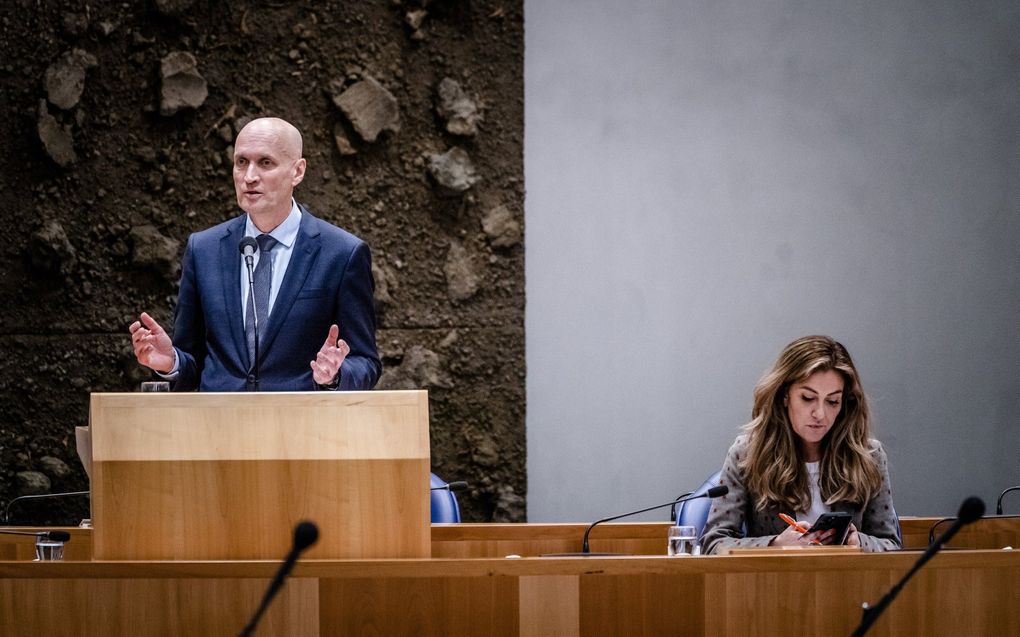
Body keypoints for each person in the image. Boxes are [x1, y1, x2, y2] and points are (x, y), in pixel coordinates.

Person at [129, 117, 381, 391]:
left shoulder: (342, 253)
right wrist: (172, 362)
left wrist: (335, 375)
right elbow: (196, 361)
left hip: (301, 426)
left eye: (265, 163)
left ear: (297, 171)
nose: (249, 176)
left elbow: (365, 362)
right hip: (218, 425)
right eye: (241, 162)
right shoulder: (203, 249)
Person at [700, 335, 900, 554]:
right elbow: (714, 544)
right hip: (774, 584)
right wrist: (776, 545)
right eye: (807, 398)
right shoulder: (747, 454)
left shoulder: (869, 456)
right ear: (785, 395)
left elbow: (891, 544)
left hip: (847, 584)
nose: (820, 414)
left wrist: (857, 542)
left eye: (832, 401)